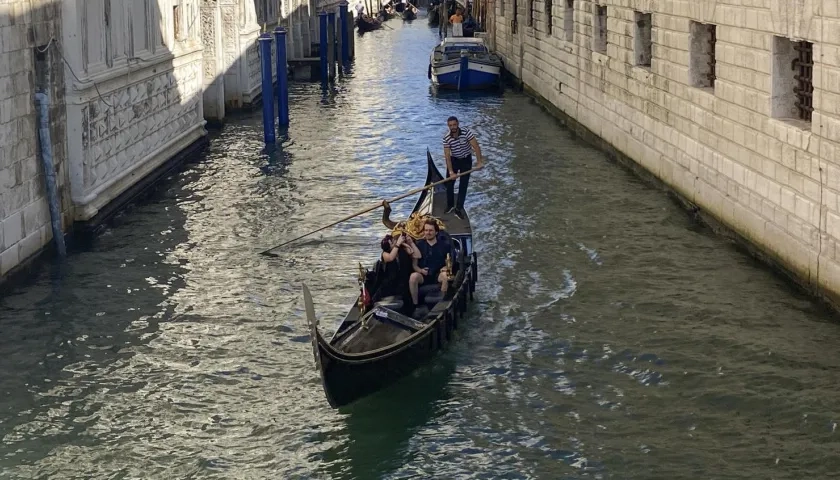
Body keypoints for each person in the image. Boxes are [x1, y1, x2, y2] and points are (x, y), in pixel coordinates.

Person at [443, 116, 484, 218]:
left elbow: (476, 146)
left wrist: (479, 162)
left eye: (454, 125)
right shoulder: (446, 138)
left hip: (466, 160)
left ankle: (459, 208)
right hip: (454, 160)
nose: (453, 127)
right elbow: (447, 156)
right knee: (449, 183)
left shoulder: (466, 132)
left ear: (458, 124)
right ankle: (450, 205)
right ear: (448, 126)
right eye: (451, 125)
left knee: (463, 185)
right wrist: (451, 172)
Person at [408, 220, 452, 314]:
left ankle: (442, 305)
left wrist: (446, 267)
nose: (428, 233)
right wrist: (420, 270)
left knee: (445, 275)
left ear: (436, 232)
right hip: (423, 275)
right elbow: (414, 265)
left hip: (438, 274)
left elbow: (449, 262)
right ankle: (416, 306)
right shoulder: (419, 245)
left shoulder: (444, 245)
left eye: (430, 230)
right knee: (413, 277)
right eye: (426, 230)